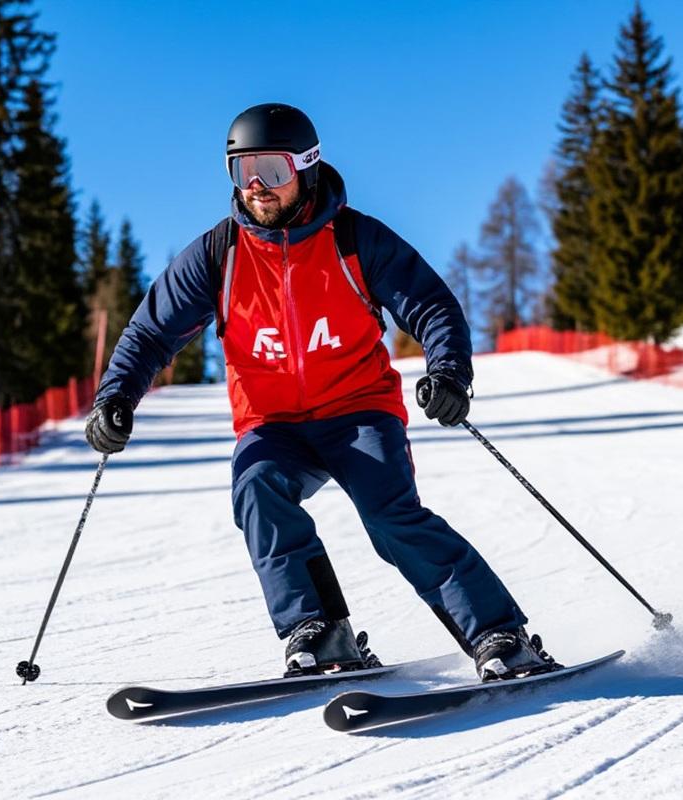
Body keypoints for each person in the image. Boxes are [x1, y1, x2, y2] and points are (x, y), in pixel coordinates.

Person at [86, 103, 554, 681]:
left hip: (358, 412)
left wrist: (450, 371)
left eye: (273, 171)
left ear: (306, 168)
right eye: (242, 171)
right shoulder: (218, 254)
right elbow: (151, 331)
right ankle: (321, 631)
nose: (257, 187)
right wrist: (116, 397)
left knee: (389, 515)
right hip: (272, 423)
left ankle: (499, 636)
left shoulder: (356, 238)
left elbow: (432, 306)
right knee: (257, 490)